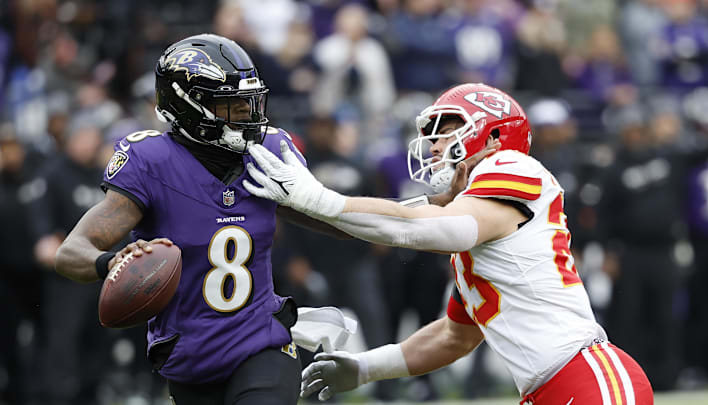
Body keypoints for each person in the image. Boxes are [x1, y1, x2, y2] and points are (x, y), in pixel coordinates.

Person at [53, 34, 487, 405]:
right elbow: (71, 252)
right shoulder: (151, 161)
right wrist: (109, 263)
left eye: (250, 101)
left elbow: (338, 215)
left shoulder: (268, 152)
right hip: (187, 352)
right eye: (232, 106)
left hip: (260, 340)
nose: (248, 114)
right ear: (186, 107)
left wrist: (425, 211)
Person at [242, 83, 655, 404]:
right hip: (550, 388)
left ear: (493, 137)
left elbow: (421, 227)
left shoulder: (511, 166)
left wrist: (319, 198)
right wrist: (366, 367)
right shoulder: (479, 236)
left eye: (448, 130)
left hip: (587, 377)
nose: (435, 145)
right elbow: (453, 337)